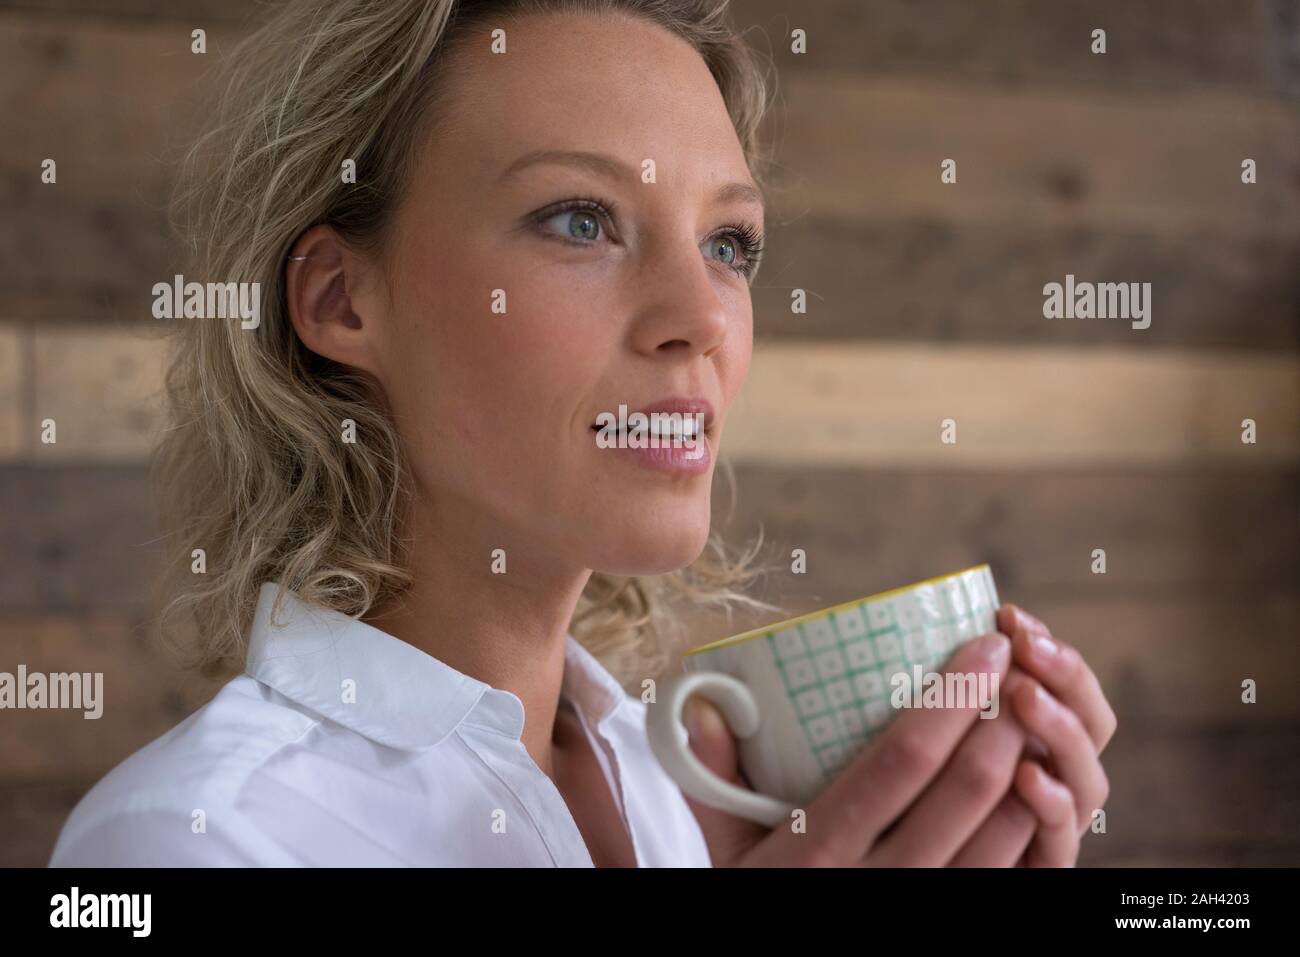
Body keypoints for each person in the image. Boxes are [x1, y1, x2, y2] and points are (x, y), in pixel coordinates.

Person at [49, 0, 1113, 867]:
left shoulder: (675, 799)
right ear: (338, 299)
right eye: (579, 220)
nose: (699, 317)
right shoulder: (194, 839)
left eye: (729, 244)